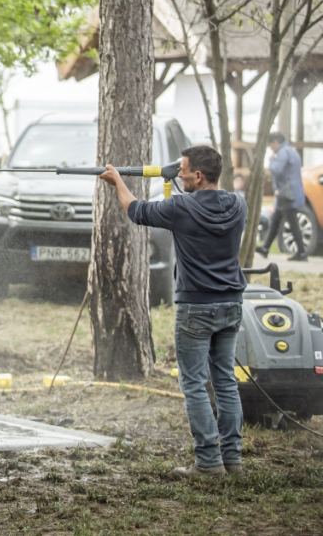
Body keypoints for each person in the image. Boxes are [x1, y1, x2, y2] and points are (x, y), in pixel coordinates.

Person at [99, 145, 246, 478]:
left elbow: (136, 210)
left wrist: (117, 181)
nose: (178, 174)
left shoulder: (181, 207)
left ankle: (209, 463)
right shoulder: (238, 204)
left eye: (183, 170)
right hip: (231, 304)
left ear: (197, 175)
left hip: (196, 305)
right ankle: (232, 461)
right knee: (224, 382)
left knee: (194, 384)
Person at [256, 132, 308, 261]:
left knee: (292, 222)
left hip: (286, 193)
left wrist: (271, 160)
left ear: (275, 142)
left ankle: (301, 252)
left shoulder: (282, 152)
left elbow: (277, 170)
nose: (271, 148)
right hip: (292, 192)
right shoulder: (291, 150)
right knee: (276, 220)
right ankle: (266, 248)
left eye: (271, 146)